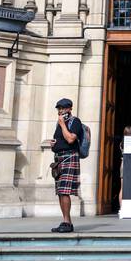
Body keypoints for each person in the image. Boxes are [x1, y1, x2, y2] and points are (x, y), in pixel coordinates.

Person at [47, 97, 82, 233]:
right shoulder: (59, 123)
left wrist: (62, 125)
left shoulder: (75, 122)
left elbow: (70, 138)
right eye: (59, 108)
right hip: (59, 159)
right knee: (60, 192)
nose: (61, 111)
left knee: (64, 191)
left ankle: (67, 222)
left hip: (69, 157)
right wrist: (53, 144)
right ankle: (66, 221)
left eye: (63, 108)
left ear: (70, 109)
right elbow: (61, 140)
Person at [118, 125, 131, 210]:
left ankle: (121, 208)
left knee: (122, 188)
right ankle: (128, 207)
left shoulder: (121, 143)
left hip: (123, 164)